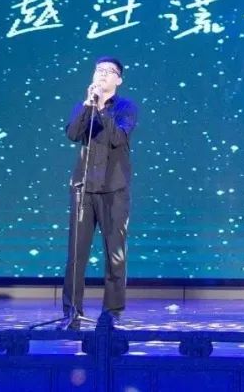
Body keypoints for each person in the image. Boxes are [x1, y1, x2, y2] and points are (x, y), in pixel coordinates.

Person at [59, 56, 138, 330]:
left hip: (114, 190)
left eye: (109, 71)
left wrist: (102, 109)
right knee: (76, 255)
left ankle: (112, 314)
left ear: (119, 79)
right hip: (83, 189)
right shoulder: (83, 106)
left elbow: (118, 138)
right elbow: (73, 134)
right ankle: (72, 313)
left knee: (115, 255)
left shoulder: (126, 108)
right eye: (99, 70)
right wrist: (89, 106)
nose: (103, 74)